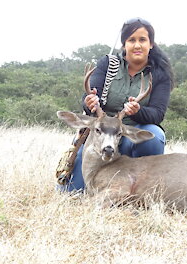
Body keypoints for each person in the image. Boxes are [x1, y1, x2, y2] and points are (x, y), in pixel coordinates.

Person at [58, 17, 174, 192]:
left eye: (142, 40)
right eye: (131, 40)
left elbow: (157, 114)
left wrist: (137, 111)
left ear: (151, 44)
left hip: (128, 135)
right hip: (100, 133)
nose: (137, 45)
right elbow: (90, 94)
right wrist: (90, 101)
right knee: (72, 192)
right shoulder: (109, 64)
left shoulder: (159, 74)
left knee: (154, 135)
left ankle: (144, 189)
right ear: (124, 44)